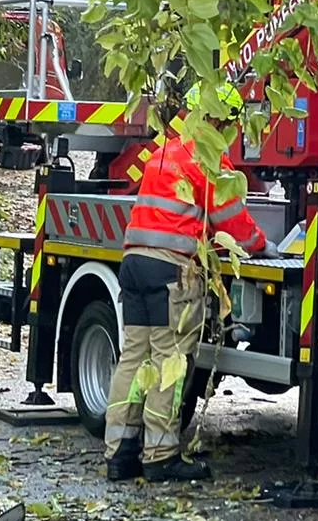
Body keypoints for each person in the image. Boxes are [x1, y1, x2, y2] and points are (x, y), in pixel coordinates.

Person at [105, 89, 269, 483]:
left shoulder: (167, 152)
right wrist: (262, 246)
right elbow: (233, 219)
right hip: (169, 274)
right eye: (232, 123)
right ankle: (160, 455)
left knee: (134, 359)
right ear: (220, 121)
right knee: (169, 363)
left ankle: (120, 453)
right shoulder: (207, 157)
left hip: (134, 265)